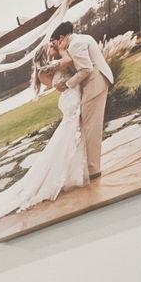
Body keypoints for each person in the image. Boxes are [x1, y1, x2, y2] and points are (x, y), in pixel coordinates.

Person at [0, 44, 89, 221]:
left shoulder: (54, 65)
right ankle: (65, 176)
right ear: (44, 54)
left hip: (71, 97)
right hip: (70, 100)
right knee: (69, 135)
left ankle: (75, 173)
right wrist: (62, 53)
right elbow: (62, 75)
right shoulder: (47, 68)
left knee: (69, 137)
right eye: (50, 46)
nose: (54, 46)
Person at [51, 19, 115, 179]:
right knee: (88, 125)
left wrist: (66, 85)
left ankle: (93, 170)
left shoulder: (75, 45)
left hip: (95, 84)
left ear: (61, 38)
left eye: (55, 42)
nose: (56, 46)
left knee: (91, 127)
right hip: (97, 82)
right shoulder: (83, 38)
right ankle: (90, 167)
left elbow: (86, 69)